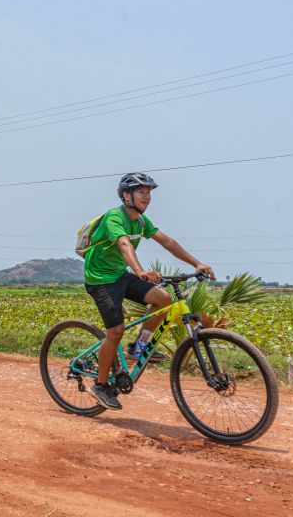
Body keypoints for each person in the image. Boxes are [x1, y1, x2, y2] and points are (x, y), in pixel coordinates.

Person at [82, 173, 215, 411]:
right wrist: (140, 270)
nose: (147, 196)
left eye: (149, 192)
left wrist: (196, 264)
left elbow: (168, 242)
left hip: (120, 274)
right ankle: (100, 385)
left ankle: (139, 347)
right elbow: (123, 243)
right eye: (141, 192)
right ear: (126, 195)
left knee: (163, 299)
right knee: (115, 331)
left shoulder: (141, 222)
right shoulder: (115, 217)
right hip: (100, 279)